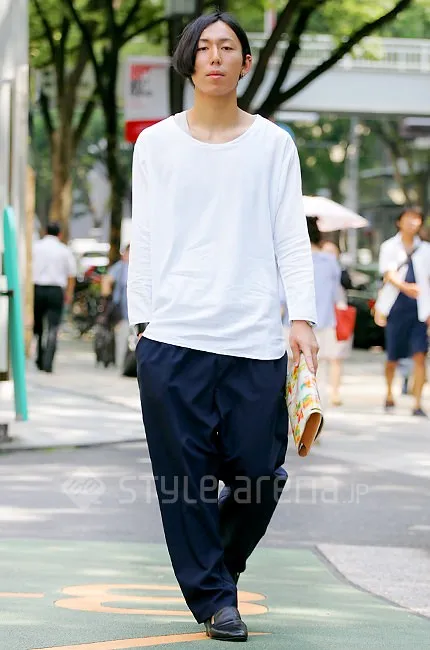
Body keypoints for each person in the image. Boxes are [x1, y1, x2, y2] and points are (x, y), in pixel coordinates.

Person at [127, 11, 318, 643]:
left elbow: (291, 236)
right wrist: (141, 324)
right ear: (189, 61)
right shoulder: (156, 144)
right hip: (172, 337)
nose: (215, 57)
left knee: (260, 475)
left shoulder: (273, 145)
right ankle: (215, 600)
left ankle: (220, 571)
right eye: (204, 47)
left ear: (245, 62)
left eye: (227, 47)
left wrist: (302, 317)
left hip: (255, 339)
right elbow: (143, 238)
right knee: (184, 483)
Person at [378, 208, 430, 416]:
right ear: (399, 222)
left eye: (416, 219)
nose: (412, 223)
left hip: (420, 309)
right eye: (408, 218)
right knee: (392, 357)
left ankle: (417, 403)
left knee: (420, 355)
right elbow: (388, 274)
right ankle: (389, 394)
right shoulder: (389, 246)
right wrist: (406, 288)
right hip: (396, 307)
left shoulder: (426, 249)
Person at [32, 222, 76, 373]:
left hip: (38, 289)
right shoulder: (64, 250)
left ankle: (39, 357)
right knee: (53, 327)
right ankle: (48, 362)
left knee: (39, 327)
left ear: (45, 232)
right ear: (60, 234)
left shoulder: (36, 247)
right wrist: (69, 294)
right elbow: (71, 275)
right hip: (56, 291)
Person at [322, 240, 353, 406]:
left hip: (336, 318)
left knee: (335, 358)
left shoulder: (340, 271)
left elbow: (346, 286)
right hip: (320, 320)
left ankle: (335, 391)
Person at [101, 244, 130, 372]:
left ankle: (128, 366)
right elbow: (106, 281)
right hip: (122, 312)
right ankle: (122, 366)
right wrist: (108, 299)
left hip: (135, 313)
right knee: (122, 338)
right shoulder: (120, 267)